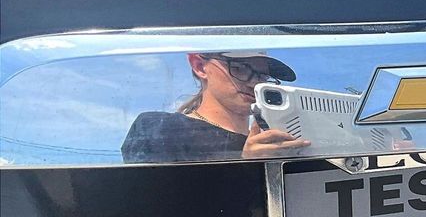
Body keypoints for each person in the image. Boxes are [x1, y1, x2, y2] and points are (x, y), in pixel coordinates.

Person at [121, 51, 310, 163]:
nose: (254, 83)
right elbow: (151, 207)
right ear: (199, 66)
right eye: (239, 68)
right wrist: (249, 166)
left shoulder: (277, 142)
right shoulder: (161, 129)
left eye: (262, 76)